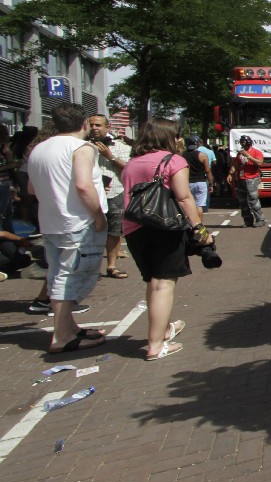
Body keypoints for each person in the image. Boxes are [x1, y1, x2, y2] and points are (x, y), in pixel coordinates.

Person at [121, 117, 211, 360]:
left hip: (134, 228)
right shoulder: (174, 161)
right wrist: (199, 229)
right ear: (168, 137)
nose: (179, 140)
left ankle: (164, 329)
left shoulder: (132, 162)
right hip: (164, 226)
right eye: (176, 135)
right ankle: (156, 344)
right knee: (164, 283)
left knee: (152, 281)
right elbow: (184, 197)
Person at [26, 103, 108, 354]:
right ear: (84, 124)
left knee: (57, 274)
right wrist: (98, 216)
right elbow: (84, 185)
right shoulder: (82, 148)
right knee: (72, 276)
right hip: (78, 222)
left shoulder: (39, 149)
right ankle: (62, 336)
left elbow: (31, 188)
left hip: (51, 222)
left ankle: (69, 327)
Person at [87, 114, 132, 279]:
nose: (94, 128)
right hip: (89, 195)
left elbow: (128, 169)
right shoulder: (82, 146)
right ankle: (90, 267)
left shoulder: (121, 147)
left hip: (115, 193)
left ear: (107, 127)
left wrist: (109, 156)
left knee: (114, 231)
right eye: (91, 125)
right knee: (89, 232)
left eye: (98, 125)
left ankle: (111, 266)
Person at [229, 135, 265, 227]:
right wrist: (230, 173)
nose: (242, 144)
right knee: (243, 201)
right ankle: (248, 221)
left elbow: (260, 163)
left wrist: (248, 156)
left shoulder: (256, 152)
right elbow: (236, 164)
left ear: (249, 142)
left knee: (253, 200)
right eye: (241, 142)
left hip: (252, 179)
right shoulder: (240, 153)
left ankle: (260, 219)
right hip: (241, 179)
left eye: (244, 142)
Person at [182, 136, 215, 215]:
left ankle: (190, 220)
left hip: (187, 182)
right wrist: (211, 183)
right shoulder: (202, 155)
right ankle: (199, 221)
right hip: (200, 181)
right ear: (197, 144)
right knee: (199, 205)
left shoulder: (182, 155)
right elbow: (207, 170)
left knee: (189, 204)